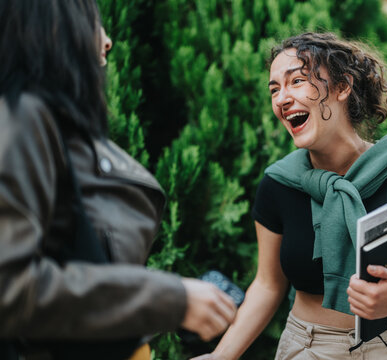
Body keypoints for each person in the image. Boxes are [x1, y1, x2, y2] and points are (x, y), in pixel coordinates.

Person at [193, 32, 387, 360]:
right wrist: (220, 356)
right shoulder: (279, 184)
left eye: (297, 80)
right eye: (274, 88)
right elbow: (268, 285)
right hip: (305, 347)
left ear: (342, 87)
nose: (282, 98)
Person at [0, 1, 236, 359]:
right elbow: (11, 288)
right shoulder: (22, 116)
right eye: (93, 23)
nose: (107, 40)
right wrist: (171, 299)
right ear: (55, 27)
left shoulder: (53, 125)